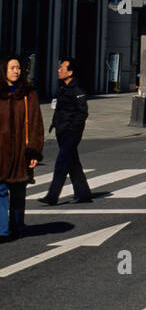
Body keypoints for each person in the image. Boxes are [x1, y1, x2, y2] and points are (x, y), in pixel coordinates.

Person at [0, 55, 44, 241]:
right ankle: (2, 230)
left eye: (18, 68)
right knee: (1, 189)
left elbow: (35, 123)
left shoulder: (28, 93)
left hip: (21, 149)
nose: (16, 71)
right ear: (4, 70)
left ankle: (17, 225)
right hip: (1, 150)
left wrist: (34, 151)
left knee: (18, 189)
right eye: (12, 68)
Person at [39, 58, 93, 205]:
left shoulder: (77, 90)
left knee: (61, 163)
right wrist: (55, 124)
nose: (59, 70)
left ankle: (52, 195)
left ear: (70, 72)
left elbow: (83, 113)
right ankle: (84, 194)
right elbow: (57, 108)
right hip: (61, 130)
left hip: (71, 132)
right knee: (72, 162)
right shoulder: (61, 87)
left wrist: (72, 128)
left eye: (62, 68)